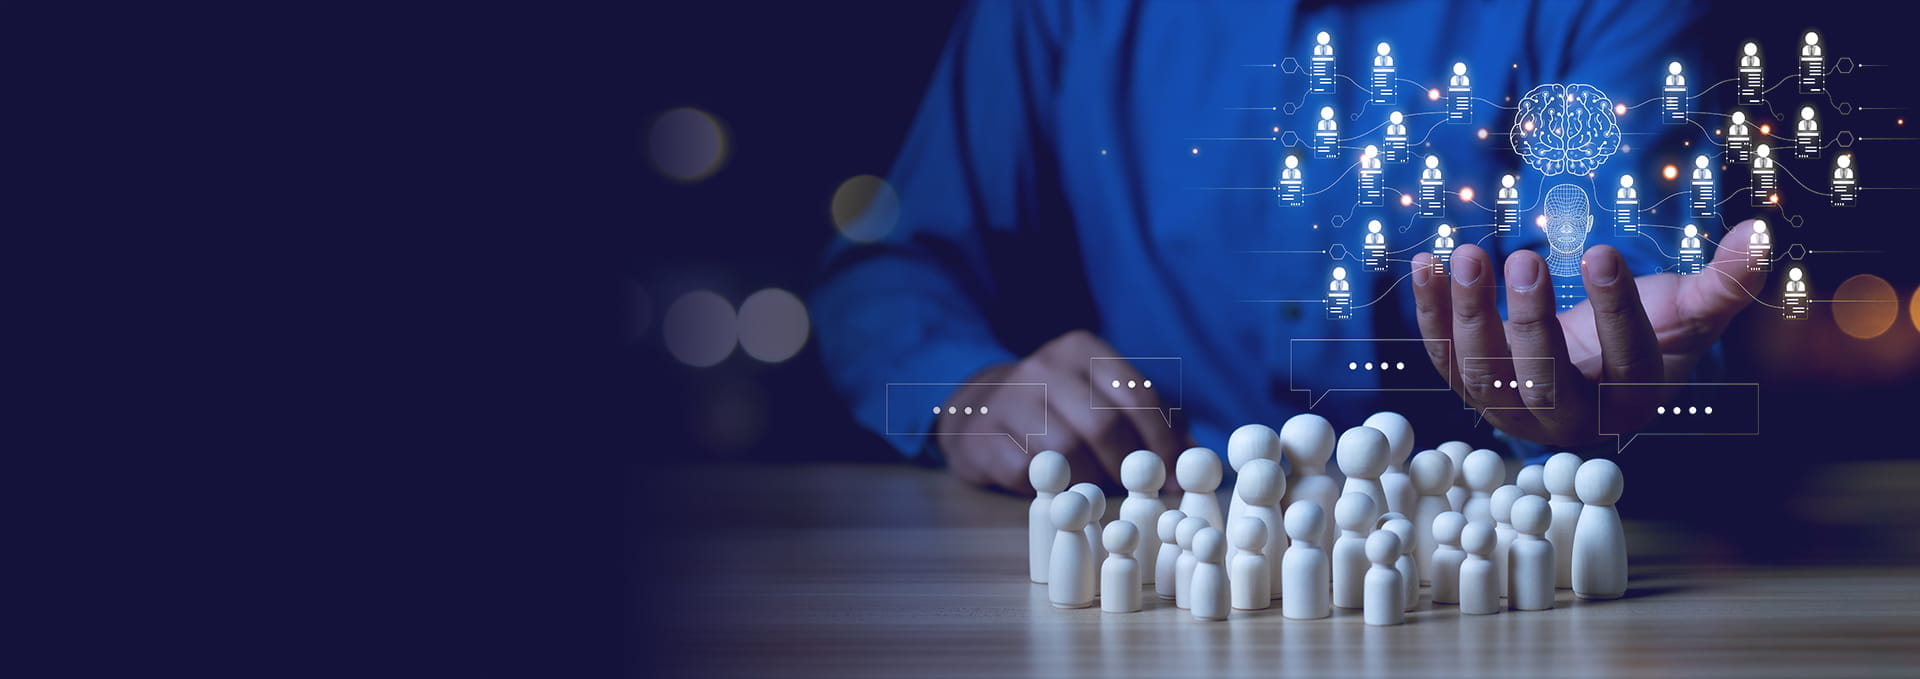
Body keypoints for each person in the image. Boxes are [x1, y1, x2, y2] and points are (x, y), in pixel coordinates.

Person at [813, 0, 1758, 493]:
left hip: (1486, 552)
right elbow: (886, 273)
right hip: (1156, 545)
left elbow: (1613, 293)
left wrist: (1594, 385)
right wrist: (964, 390)